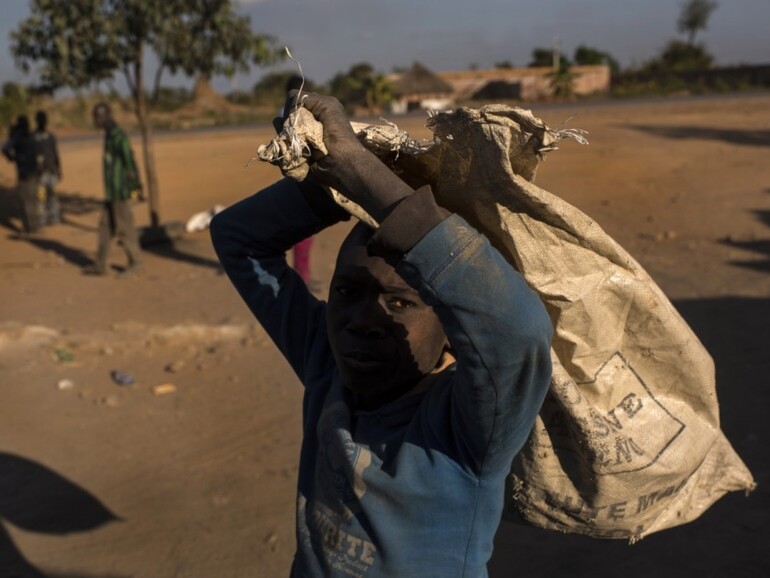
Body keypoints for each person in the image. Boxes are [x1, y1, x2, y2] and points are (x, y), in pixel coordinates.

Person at [210, 93, 553, 577]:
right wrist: (329, 181)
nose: (362, 320)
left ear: (453, 331)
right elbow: (237, 238)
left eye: (400, 303)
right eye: (347, 291)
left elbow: (518, 334)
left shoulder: (470, 424)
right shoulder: (327, 363)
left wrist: (362, 175)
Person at [84, 102, 142, 276]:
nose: (95, 120)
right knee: (105, 228)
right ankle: (100, 265)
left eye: (97, 116)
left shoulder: (119, 136)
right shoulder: (108, 135)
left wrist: (135, 186)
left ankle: (135, 263)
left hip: (120, 192)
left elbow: (129, 161)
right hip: (110, 193)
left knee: (125, 229)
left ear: (106, 116)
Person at [2, 115, 42, 234]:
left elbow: (5, 148)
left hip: (24, 173)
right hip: (34, 172)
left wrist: (12, 158)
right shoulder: (32, 137)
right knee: (33, 199)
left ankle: (29, 228)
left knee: (25, 200)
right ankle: (35, 225)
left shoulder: (17, 138)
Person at [33, 110, 62, 225]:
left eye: (43, 120)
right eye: (40, 120)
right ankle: (42, 219)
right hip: (39, 173)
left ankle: (54, 218)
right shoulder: (32, 137)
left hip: (52, 170)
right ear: (36, 121)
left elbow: (55, 154)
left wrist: (59, 170)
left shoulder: (51, 137)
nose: (42, 122)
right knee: (40, 197)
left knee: (53, 195)